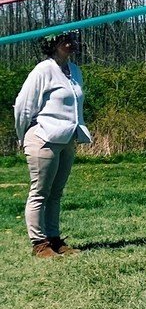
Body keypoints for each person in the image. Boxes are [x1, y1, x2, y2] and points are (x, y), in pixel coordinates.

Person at [13, 31, 90, 258]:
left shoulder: (75, 71)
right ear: (53, 44)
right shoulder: (43, 70)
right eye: (64, 40)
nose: (70, 44)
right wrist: (23, 135)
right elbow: (23, 106)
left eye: (72, 40)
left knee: (56, 193)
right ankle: (39, 244)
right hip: (43, 137)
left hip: (67, 138)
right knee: (40, 192)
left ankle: (55, 240)